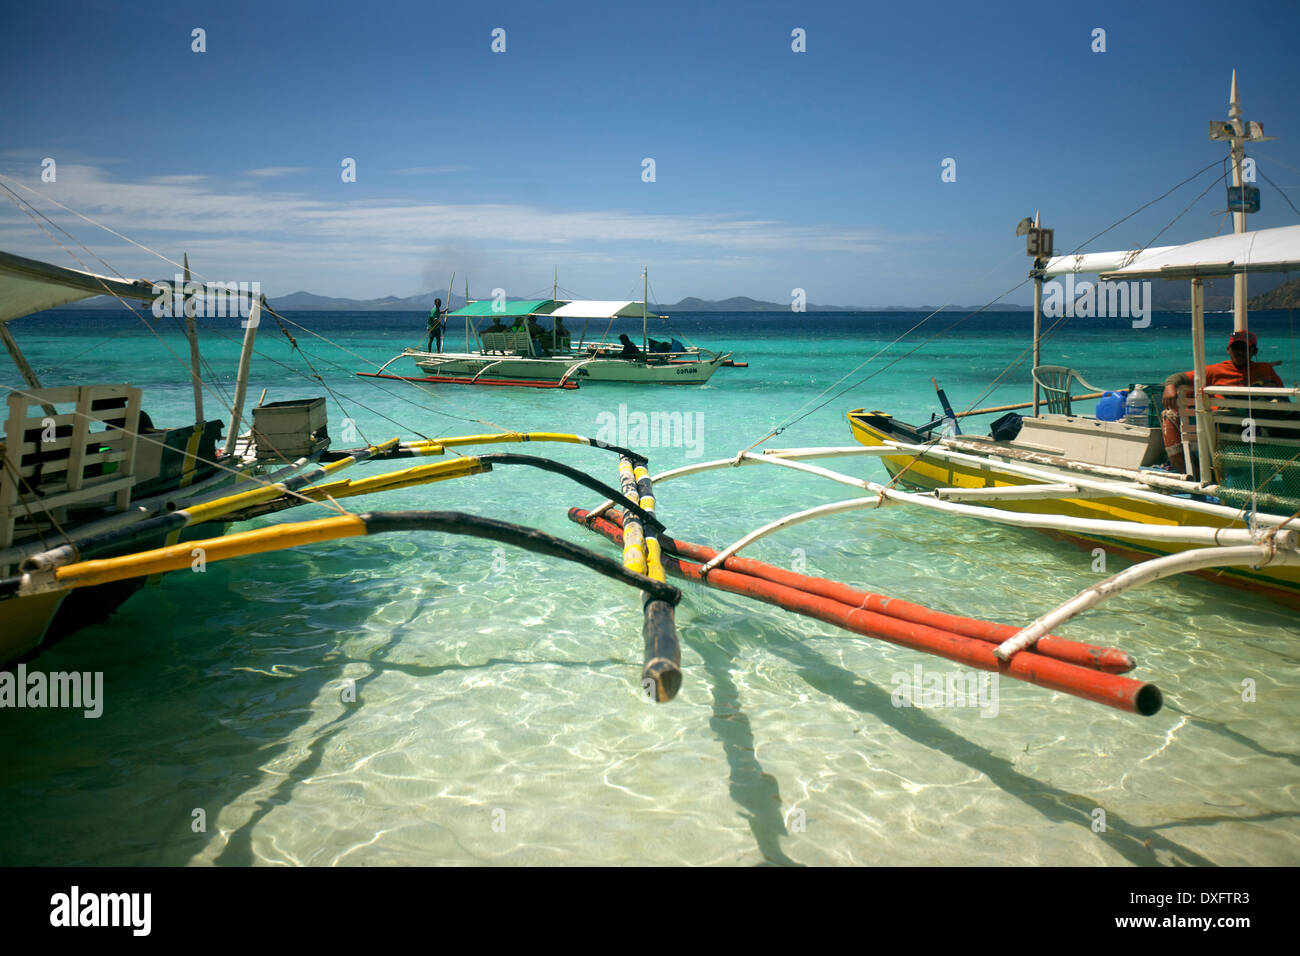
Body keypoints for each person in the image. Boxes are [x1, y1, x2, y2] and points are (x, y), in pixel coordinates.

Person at [1161, 330, 1287, 471]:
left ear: (1254, 351)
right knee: (1170, 414)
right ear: (1228, 350)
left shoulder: (1264, 370)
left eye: (1245, 348)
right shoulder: (1215, 370)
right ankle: (1188, 469)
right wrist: (1170, 386)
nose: (1240, 352)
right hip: (1223, 429)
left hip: (1257, 426)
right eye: (1236, 348)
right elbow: (1179, 377)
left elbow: (1281, 395)